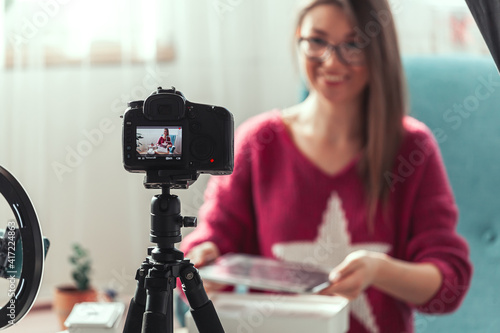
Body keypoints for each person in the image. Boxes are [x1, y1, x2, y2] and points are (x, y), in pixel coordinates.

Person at [180, 0, 472, 332]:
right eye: (317, 41)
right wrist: (202, 263)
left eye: (354, 44)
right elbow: (209, 245)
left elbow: (448, 284)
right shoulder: (257, 144)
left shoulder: (413, 148)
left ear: (378, 49)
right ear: (298, 38)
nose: (332, 61)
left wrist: (379, 271)